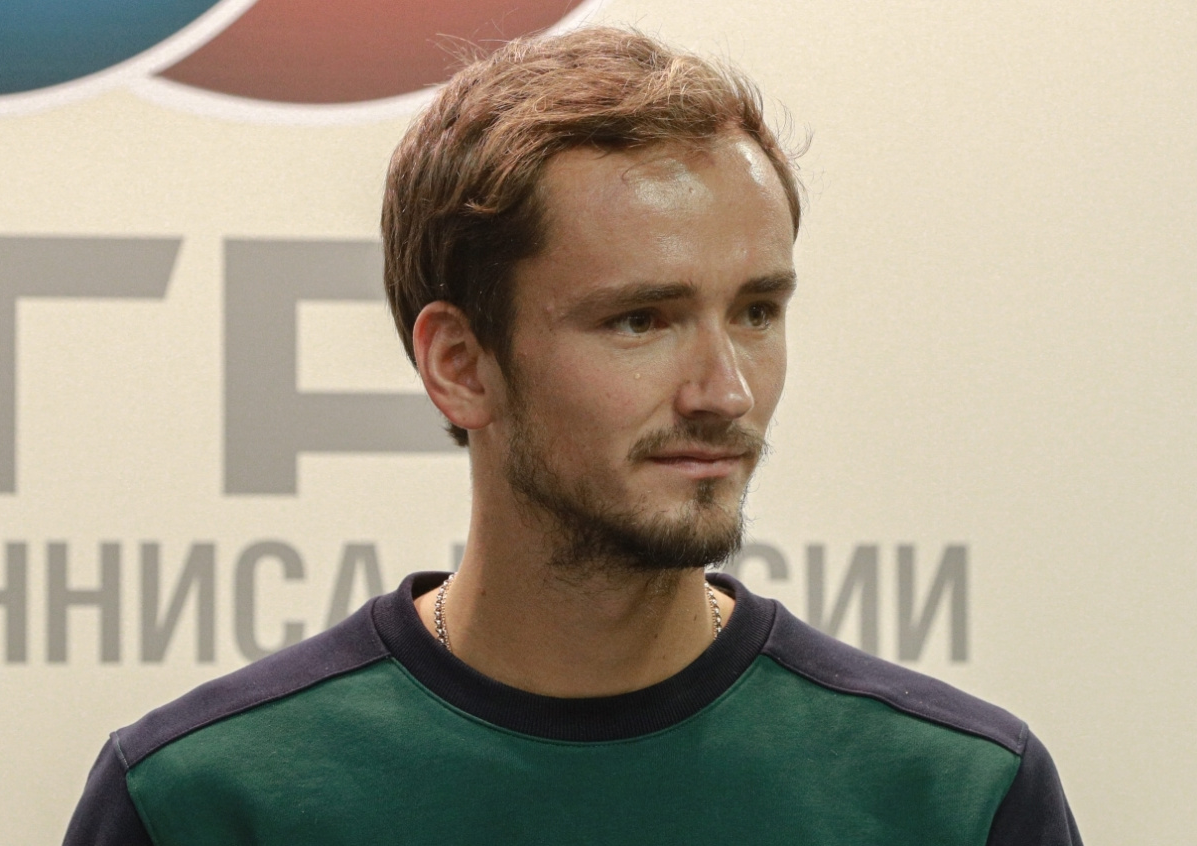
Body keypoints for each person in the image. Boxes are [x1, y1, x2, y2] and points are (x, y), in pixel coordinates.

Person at [64, 26, 1082, 845]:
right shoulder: (201, 803)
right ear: (460, 364)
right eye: (641, 319)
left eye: (756, 312)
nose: (725, 390)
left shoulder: (955, 798)